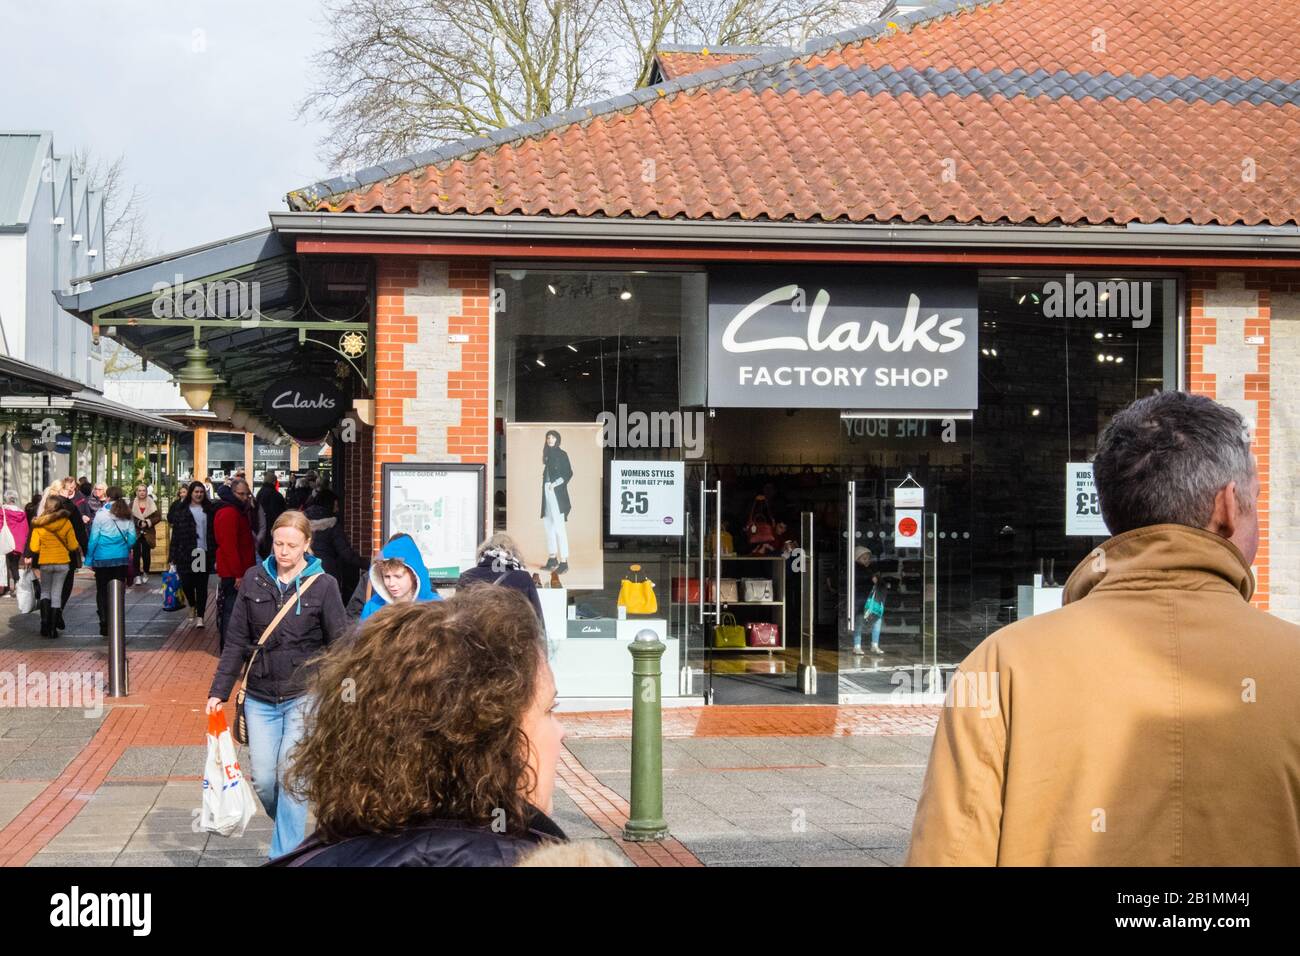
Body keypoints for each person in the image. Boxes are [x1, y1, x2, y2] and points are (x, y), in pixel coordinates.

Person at [907, 392, 1300, 866]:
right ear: (1229, 506)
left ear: (1113, 511)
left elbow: (950, 854)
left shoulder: (1002, 664)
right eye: (1256, 503)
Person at [269, 587, 567, 866]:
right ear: (488, 736)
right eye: (549, 710)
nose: (561, 732)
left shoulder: (313, 856)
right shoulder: (526, 859)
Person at [205, 509, 347, 859]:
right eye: (278, 543)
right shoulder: (255, 579)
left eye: (292, 545)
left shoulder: (324, 585)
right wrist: (218, 691)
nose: (283, 551)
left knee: (292, 775)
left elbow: (340, 644)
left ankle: (283, 856)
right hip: (260, 695)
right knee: (265, 780)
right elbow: (236, 640)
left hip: (304, 694)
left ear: (307, 545)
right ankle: (292, 831)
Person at [25, 496, 81, 638]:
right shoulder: (66, 522)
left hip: (46, 562)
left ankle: (44, 623)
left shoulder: (39, 524)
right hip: (62, 562)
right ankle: (52, 629)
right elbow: (73, 545)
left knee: (45, 592)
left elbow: (34, 547)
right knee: (56, 594)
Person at [85, 487, 138, 638]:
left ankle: (104, 622)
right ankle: (116, 620)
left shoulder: (101, 514)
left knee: (102, 591)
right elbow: (132, 538)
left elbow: (94, 538)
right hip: (120, 559)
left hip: (102, 559)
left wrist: (89, 558)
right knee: (118, 590)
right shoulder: (127, 514)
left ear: (107, 497)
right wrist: (124, 548)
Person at [212, 477, 257, 650]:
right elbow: (228, 546)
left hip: (241, 570)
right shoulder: (230, 512)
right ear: (233, 493)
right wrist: (238, 573)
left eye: (247, 494)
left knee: (235, 609)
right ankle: (229, 648)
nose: (245, 497)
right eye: (241, 494)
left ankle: (233, 646)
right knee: (231, 610)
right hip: (234, 572)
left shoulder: (239, 511)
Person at [456, 533, 543, 620]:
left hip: (476, 633)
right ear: (513, 553)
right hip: (513, 632)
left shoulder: (466, 577)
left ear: (483, 552)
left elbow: (457, 617)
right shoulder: (523, 578)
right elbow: (537, 619)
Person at [359, 534, 440, 621]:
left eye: (398, 576)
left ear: (414, 575)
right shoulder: (373, 607)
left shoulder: (435, 607)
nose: (391, 583)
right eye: (387, 577)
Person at [304, 489, 367, 596]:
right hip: (327, 571)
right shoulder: (332, 525)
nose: (337, 509)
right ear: (329, 504)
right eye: (336, 505)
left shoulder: (301, 523)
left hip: (305, 569)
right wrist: (368, 564)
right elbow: (346, 553)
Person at [168, 481, 214, 626]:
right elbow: (176, 533)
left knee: (200, 584)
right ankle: (192, 604)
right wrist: (172, 555)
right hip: (185, 551)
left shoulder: (208, 509)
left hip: (201, 551)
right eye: (196, 492)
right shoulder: (182, 510)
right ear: (191, 493)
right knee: (187, 583)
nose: (199, 494)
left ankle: (200, 615)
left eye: (201, 492)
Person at [540, 429, 572, 574]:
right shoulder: (547, 455)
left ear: (557, 439)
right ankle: (553, 558)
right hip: (546, 492)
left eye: (552, 438)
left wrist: (555, 484)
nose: (550, 440)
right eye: (548, 438)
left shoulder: (562, 454)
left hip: (556, 493)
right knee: (548, 526)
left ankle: (564, 561)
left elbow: (568, 473)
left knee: (559, 528)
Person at [851, 545, 886, 657]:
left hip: (871, 600)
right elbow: (856, 581)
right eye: (864, 558)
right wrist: (871, 579)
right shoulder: (855, 569)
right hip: (862, 600)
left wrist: (877, 579)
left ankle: (874, 644)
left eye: (868, 558)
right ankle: (857, 645)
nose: (867, 560)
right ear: (857, 558)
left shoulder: (870, 569)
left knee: (876, 620)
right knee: (859, 622)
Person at [1, 491, 30, 596]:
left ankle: (8, 588)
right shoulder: (21, 512)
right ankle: (17, 585)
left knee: (6, 565)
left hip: (6, 542)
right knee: (14, 564)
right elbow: (26, 529)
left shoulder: (3, 511)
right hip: (18, 543)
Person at [129, 485, 159, 585]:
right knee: (136, 554)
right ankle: (137, 575)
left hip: (148, 532)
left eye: (144, 490)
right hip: (136, 532)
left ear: (146, 492)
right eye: (139, 491)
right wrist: (138, 522)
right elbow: (129, 516)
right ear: (136, 492)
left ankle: (146, 572)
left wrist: (148, 522)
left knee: (146, 554)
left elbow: (158, 516)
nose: (142, 492)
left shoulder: (152, 503)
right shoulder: (132, 503)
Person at [254, 470, 286, 559]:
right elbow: (279, 513)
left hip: (262, 527)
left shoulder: (260, 493)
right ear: (274, 482)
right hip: (272, 527)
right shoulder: (276, 495)